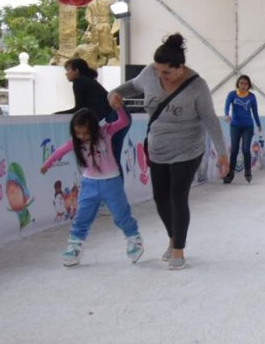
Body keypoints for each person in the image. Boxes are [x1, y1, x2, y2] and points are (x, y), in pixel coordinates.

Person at [108, 33, 229, 270]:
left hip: (188, 149)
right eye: (158, 71)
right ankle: (173, 236)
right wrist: (114, 92)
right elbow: (132, 86)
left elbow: (210, 119)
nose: (160, 76)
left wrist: (222, 152)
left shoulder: (197, 86)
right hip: (157, 148)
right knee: (160, 198)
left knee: (177, 196)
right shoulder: (149, 74)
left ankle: (178, 249)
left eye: (167, 73)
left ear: (181, 68)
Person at [40, 100, 143, 267]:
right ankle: (74, 246)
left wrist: (119, 109)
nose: (82, 137)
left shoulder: (106, 132)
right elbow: (59, 151)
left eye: (85, 133)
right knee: (81, 216)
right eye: (78, 133)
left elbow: (123, 122)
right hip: (89, 183)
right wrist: (47, 164)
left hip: (111, 182)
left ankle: (134, 239)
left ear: (94, 128)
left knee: (121, 215)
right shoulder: (76, 142)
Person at [58, 59, 131, 177]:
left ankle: (115, 190)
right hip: (120, 114)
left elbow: (79, 108)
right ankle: (115, 189)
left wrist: (56, 114)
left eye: (68, 70)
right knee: (113, 156)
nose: (66, 73)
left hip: (115, 116)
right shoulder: (89, 81)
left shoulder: (79, 82)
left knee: (112, 156)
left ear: (76, 71)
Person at [223, 74, 263, 183]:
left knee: (246, 149)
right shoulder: (232, 94)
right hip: (235, 125)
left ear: (249, 85)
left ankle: (248, 172)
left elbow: (255, 111)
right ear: (238, 84)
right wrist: (226, 115)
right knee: (234, 150)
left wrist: (259, 124)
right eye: (241, 83)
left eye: (246, 83)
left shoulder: (251, 96)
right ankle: (230, 174)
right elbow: (226, 106)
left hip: (247, 126)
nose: (243, 85)